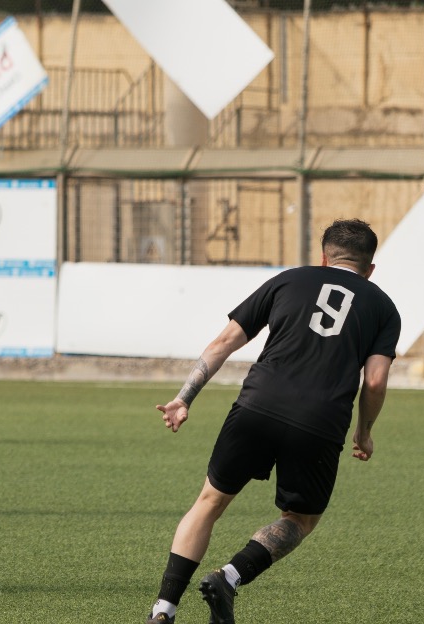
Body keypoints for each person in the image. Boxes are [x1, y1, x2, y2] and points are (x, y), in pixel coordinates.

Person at [146, 219, 400, 624]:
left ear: (323, 258)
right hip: (320, 421)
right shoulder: (384, 308)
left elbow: (223, 342)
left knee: (209, 503)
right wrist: (364, 432)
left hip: (257, 406)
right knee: (300, 519)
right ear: (370, 268)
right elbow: (374, 381)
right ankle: (229, 577)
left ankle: (164, 609)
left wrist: (184, 398)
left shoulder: (288, 280)